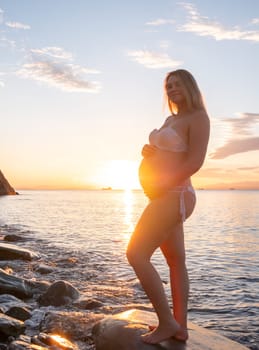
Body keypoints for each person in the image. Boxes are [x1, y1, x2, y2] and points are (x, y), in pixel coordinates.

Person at [126, 69, 210, 344]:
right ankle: (180, 327)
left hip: (174, 193)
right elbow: (167, 151)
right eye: (168, 85)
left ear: (189, 86)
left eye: (177, 84)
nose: (172, 88)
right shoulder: (171, 119)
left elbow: (195, 161)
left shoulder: (198, 118)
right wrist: (148, 152)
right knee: (176, 261)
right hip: (163, 195)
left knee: (136, 254)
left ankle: (166, 322)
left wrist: (163, 185)